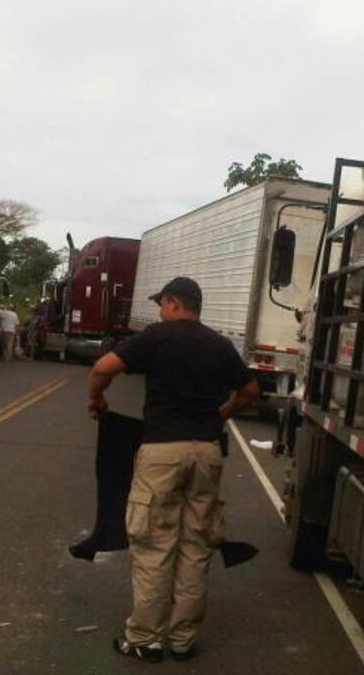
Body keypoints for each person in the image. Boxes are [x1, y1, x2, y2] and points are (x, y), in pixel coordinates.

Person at [87, 276, 260, 663]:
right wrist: (221, 415)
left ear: (173, 302)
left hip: (163, 451)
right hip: (207, 452)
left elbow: (102, 368)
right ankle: (183, 640)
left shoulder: (157, 337)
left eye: (162, 304)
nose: (160, 311)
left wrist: (97, 399)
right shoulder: (220, 345)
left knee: (154, 545)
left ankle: (145, 638)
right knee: (196, 547)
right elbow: (250, 392)